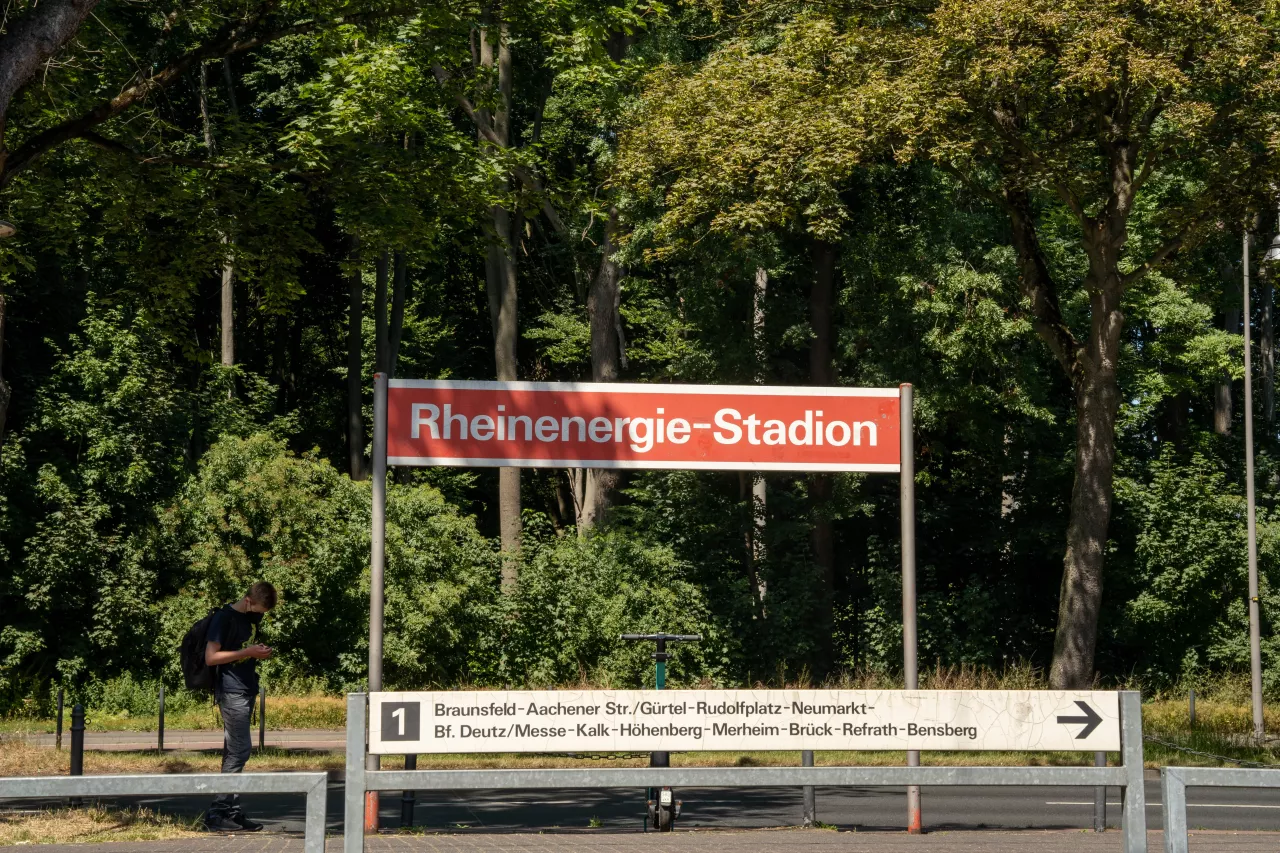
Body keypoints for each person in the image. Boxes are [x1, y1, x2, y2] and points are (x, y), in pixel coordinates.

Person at [203, 581, 277, 832]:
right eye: (258, 609)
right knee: (240, 750)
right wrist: (247, 652)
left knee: (233, 752)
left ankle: (230, 811)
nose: (260, 615)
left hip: (246, 689)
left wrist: (257, 652)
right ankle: (217, 814)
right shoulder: (223, 618)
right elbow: (211, 657)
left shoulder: (249, 619)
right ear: (248, 601)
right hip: (232, 691)